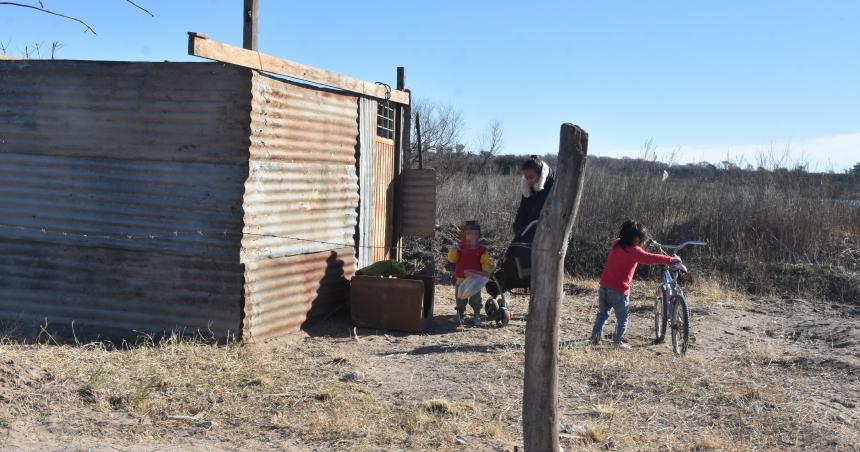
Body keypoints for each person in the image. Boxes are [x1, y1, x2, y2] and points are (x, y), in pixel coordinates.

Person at [590, 220, 680, 348]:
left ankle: (595, 338)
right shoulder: (634, 251)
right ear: (637, 239)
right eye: (641, 239)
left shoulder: (616, 245)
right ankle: (617, 342)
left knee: (602, 314)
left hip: (604, 287)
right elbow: (650, 258)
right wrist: (670, 259)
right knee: (623, 317)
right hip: (619, 291)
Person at [486, 155, 556, 299]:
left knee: (524, 255)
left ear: (540, 173)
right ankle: (500, 281)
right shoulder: (527, 188)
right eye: (526, 177)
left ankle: (504, 281)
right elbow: (522, 210)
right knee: (515, 250)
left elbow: (554, 212)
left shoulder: (553, 186)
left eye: (531, 177)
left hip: (546, 233)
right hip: (529, 230)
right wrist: (518, 227)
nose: (529, 180)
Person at [447, 221, 493, 326]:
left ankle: (477, 316)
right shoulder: (459, 247)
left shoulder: (482, 249)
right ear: (465, 235)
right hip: (461, 278)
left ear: (478, 235)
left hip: (475, 279)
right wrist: (453, 251)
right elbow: (453, 259)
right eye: (469, 233)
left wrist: (486, 270)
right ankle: (459, 315)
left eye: (475, 234)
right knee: (460, 298)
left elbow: (485, 262)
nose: (472, 236)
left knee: (476, 299)